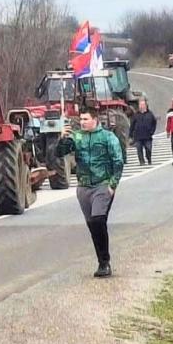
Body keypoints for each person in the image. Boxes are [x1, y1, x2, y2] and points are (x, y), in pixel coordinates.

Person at [57, 108, 124, 278]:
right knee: (92, 226)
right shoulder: (77, 136)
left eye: (86, 119)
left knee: (98, 220)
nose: (82, 122)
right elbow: (60, 153)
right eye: (81, 119)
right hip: (84, 186)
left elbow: (118, 160)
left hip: (102, 184)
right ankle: (101, 261)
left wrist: (113, 184)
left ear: (95, 120)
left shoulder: (107, 137)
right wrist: (62, 139)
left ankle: (105, 262)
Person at [129, 98, 157, 166]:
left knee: (148, 149)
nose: (142, 106)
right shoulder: (136, 115)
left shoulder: (150, 114)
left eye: (143, 105)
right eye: (140, 105)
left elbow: (154, 123)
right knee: (139, 149)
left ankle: (149, 159)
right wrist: (130, 135)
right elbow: (132, 125)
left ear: (146, 105)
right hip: (138, 136)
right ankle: (142, 162)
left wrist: (152, 131)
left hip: (147, 136)